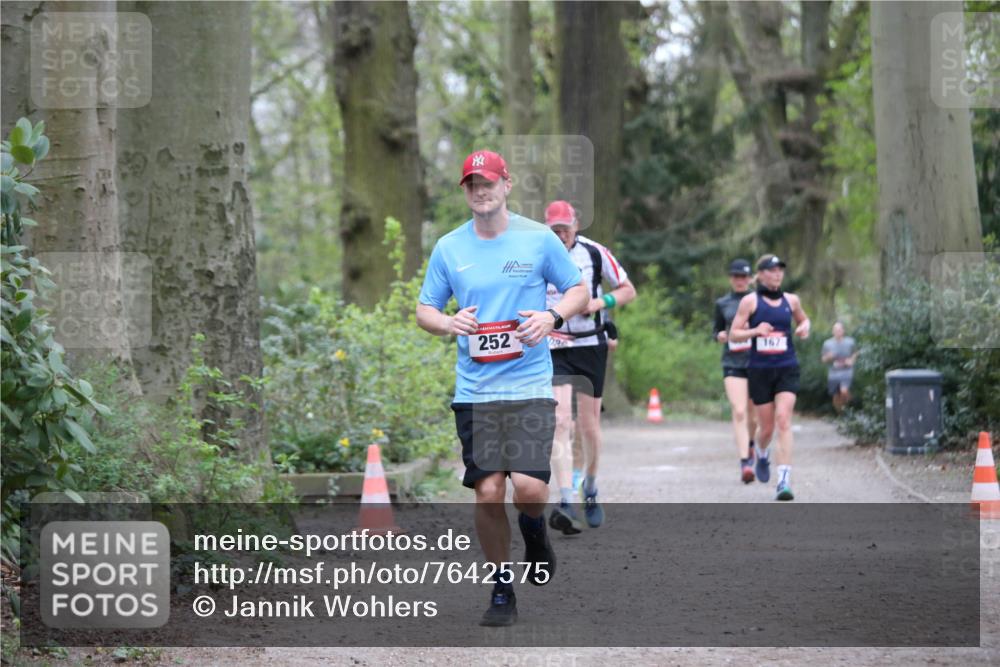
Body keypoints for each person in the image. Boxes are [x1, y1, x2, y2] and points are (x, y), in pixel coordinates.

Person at [416, 151, 588, 626]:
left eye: (488, 181)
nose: (480, 190)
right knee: (488, 491)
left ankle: (534, 532)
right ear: (465, 191)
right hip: (476, 391)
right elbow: (424, 309)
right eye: (471, 184)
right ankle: (501, 589)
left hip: (529, 384)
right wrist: (450, 322)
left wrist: (551, 316)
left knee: (530, 488)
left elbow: (578, 291)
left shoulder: (537, 239)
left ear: (506, 184)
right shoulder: (450, 248)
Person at [543, 200, 636, 533]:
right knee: (558, 420)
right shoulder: (537, 254)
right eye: (554, 229)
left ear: (576, 225)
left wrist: (599, 302)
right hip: (553, 345)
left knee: (589, 426)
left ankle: (591, 487)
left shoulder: (595, 253)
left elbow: (628, 290)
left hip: (589, 344)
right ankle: (566, 499)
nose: (561, 234)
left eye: (565, 228)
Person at [729, 255, 810, 501]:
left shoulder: (791, 300)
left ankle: (783, 482)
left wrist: (805, 327)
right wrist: (755, 330)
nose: (777, 275)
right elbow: (734, 334)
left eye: (780, 270)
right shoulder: (750, 302)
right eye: (772, 270)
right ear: (761, 274)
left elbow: (803, 319)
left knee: (784, 420)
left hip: (787, 367)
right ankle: (761, 453)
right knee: (766, 429)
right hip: (760, 370)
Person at [712, 259, 758, 483]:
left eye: (744, 277)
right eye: (736, 277)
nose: (740, 281)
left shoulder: (759, 301)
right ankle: (745, 463)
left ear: (750, 279)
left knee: (754, 415)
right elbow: (716, 330)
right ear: (731, 279)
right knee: (739, 411)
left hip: (758, 363)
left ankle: (751, 445)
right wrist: (719, 336)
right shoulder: (723, 304)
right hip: (733, 362)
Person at [822, 322, 858, 412]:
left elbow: (856, 352)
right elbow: (823, 359)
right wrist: (828, 357)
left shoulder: (850, 341)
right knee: (836, 395)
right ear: (832, 331)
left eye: (839, 330)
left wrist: (851, 360)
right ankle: (841, 414)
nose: (837, 332)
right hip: (833, 371)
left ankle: (852, 405)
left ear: (843, 331)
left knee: (844, 391)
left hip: (846, 370)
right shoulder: (827, 343)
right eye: (835, 330)